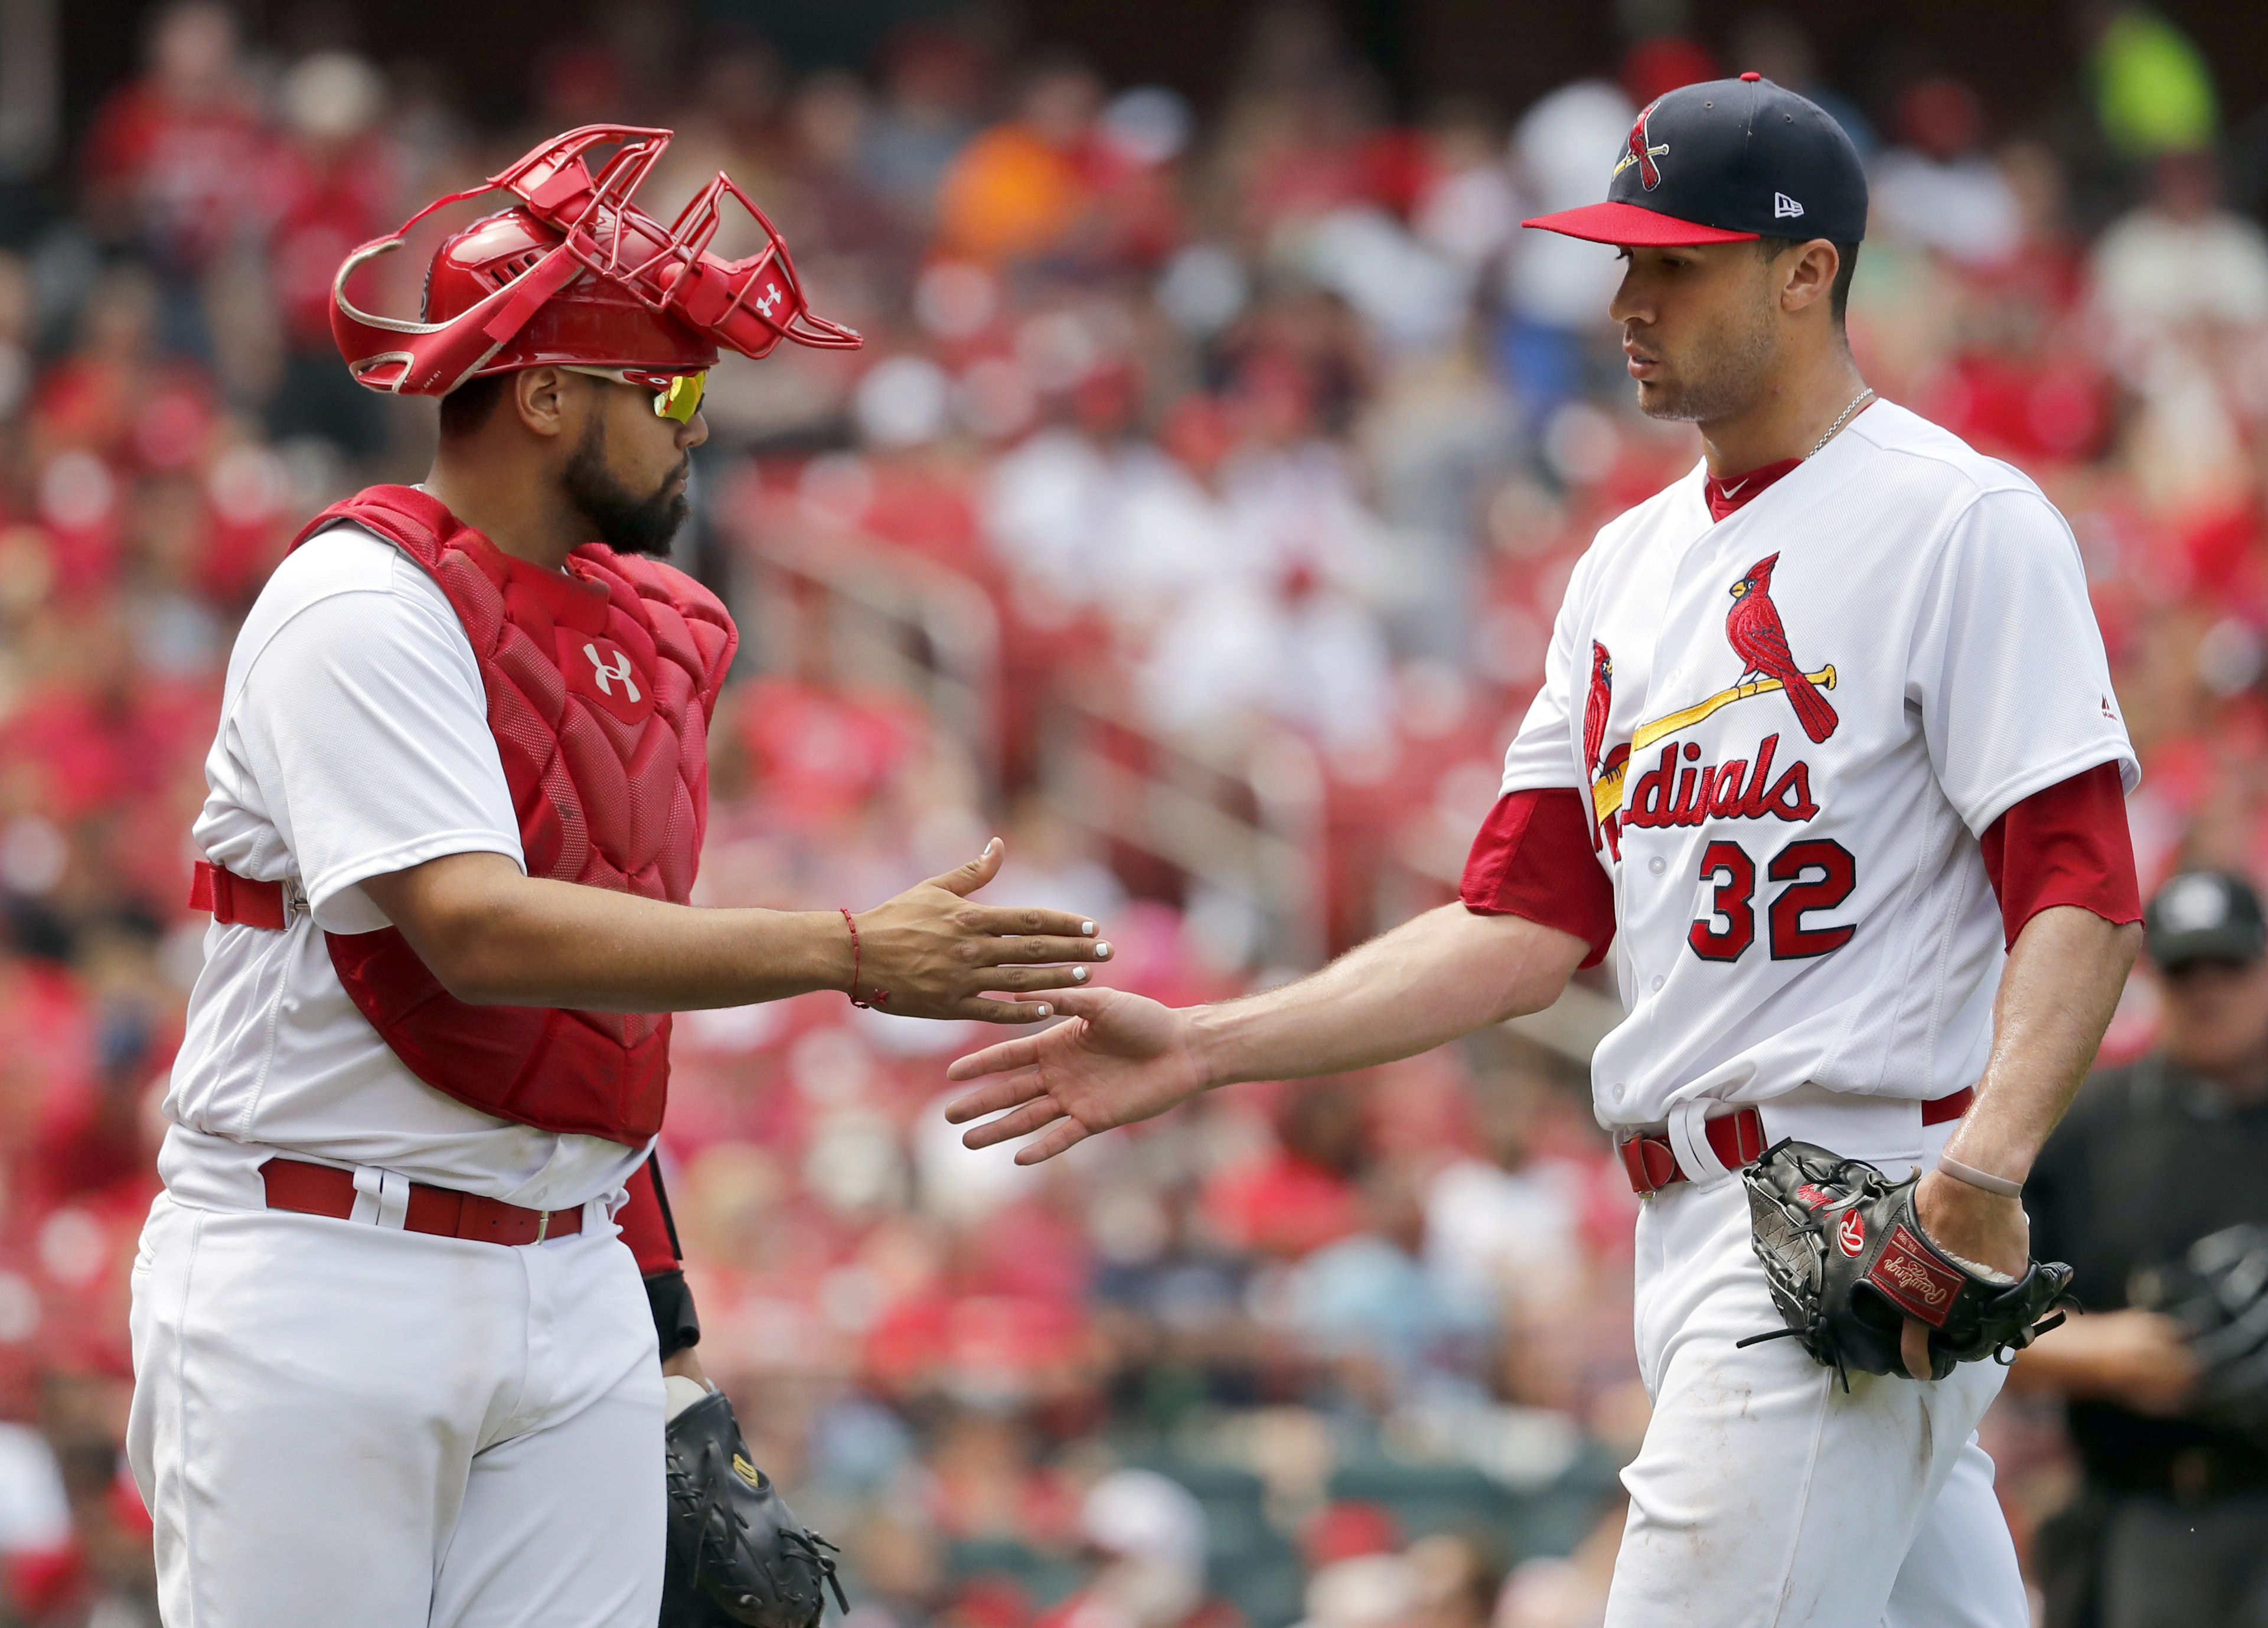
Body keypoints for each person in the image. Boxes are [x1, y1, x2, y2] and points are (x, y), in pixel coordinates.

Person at [945, 75, 2143, 1628]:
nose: (1629, 299)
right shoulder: (1625, 566)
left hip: (1855, 1211)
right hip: (1701, 1220)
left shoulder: (1960, 521)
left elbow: (2081, 879)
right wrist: (1205, 1041)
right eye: (1624, 262)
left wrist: (1984, 1164)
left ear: (1808, 271)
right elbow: (1519, 923)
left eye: (1675, 263)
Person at [124, 126, 1111, 1628]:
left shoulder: (647, 636)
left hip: (567, 1264)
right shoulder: (356, 600)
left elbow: (594, 1022)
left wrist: (659, 1317)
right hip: (322, 1259)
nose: (698, 426)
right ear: (540, 395)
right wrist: (849, 948)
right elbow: (474, 932)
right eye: (671, 390)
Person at [2015, 870, 2268, 1628]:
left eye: (2229, 966)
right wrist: (2099, 1352)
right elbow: (1973, 1318)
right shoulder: (2088, 1127)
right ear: (2153, 981)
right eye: (2186, 970)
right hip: (2143, 1507)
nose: (2208, 992)